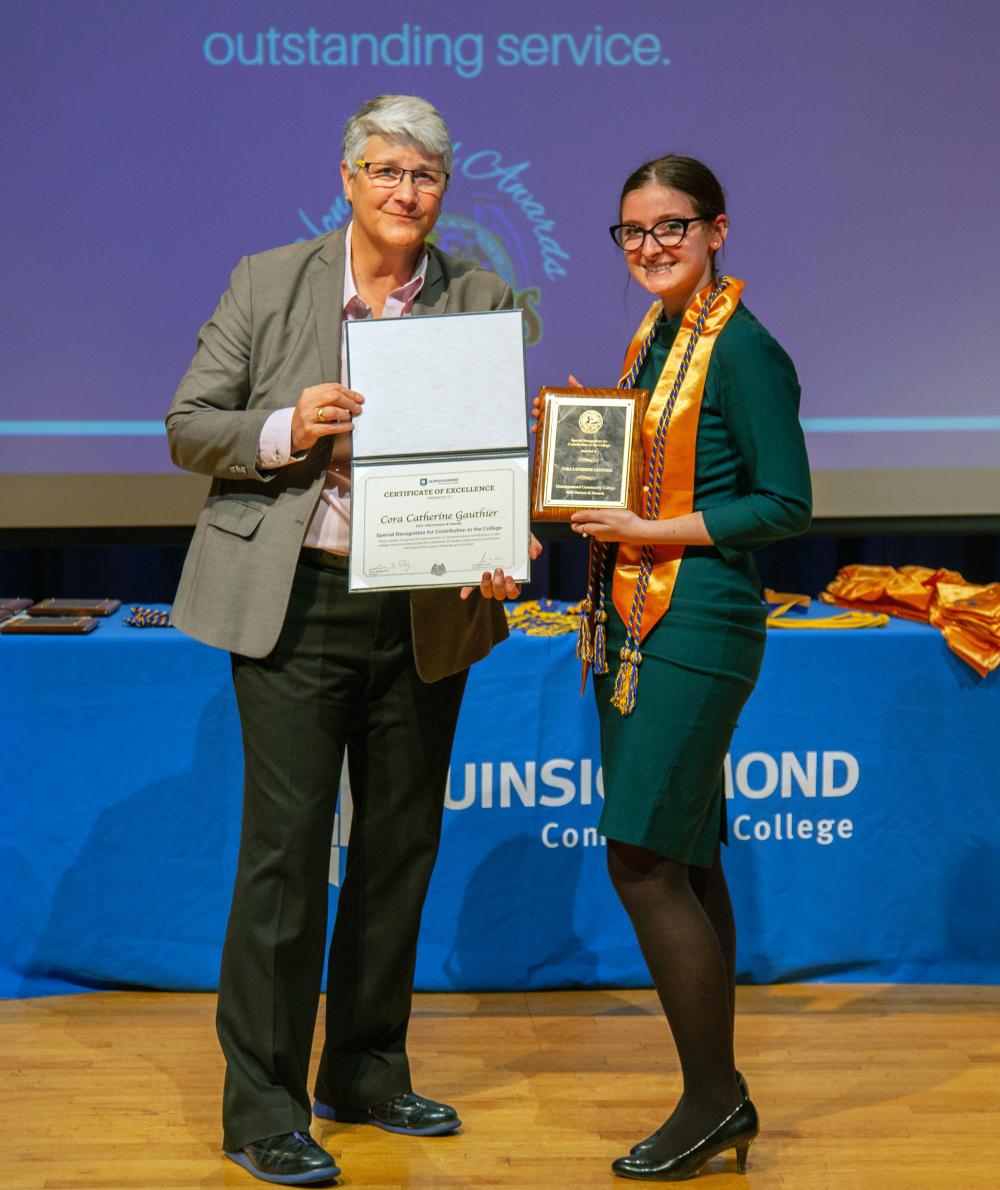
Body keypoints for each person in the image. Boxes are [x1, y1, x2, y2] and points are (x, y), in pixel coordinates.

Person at [166, 94, 538, 1187]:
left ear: (442, 192)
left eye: (423, 177)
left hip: (424, 604)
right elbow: (191, 425)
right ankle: (264, 1105)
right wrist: (287, 427)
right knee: (283, 857)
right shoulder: (266, 279)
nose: (402, 193)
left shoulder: (482, 299)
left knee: (397, 849)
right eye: (383, 171)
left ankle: (367, 1068)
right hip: (294, 602)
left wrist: (497, 534)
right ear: (346, 178)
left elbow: (497, 452)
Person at [539, 155, 812, 1180]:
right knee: (686, 857)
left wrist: (652, 523)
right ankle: (720, 1101)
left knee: (639, 857)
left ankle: (711, 1097)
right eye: (632, 232)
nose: (650, 247)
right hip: (632, 616)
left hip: (697, 622)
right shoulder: (654, 337)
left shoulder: (742, 350)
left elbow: (784, 504)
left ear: (717, 230)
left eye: (671, 227)